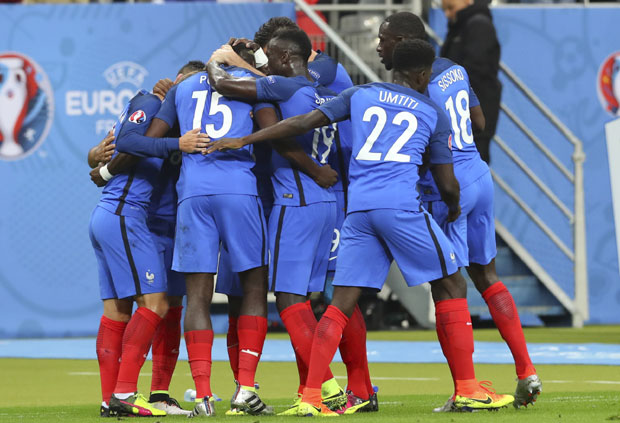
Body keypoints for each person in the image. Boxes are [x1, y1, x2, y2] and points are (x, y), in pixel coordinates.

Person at [206, 39, 515, 416]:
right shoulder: (432, 112)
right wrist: (452, 207)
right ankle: (467, 389)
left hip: (359, 210)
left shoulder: (359, 94)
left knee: (339, 304)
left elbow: (302, 123)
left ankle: (311, 397)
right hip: (400, 206)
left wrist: (245, 138)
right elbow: (448, 184)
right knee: (452, 283)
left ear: (393, 68)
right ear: (422, 75)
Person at [376, 11, 541, 410]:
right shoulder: (454, 69)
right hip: (479, 175)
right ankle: (526, 371)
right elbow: (479, 122)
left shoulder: (412, 89)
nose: (379, 46)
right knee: (487, 275)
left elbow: (421, 151)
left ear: (403, 42)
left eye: (384, 39)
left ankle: (465, 389)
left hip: (447, 186)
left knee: (447, 286)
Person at [207, 28, 349, 414]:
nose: (266, 64)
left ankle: (326, 388)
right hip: (327, 203)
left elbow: (225, 85)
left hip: (295, 200)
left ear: (286, 58)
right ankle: (311, 390)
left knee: (286, 299)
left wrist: (217, 61)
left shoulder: (284, 87)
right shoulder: (324, 93)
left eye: (271, 56)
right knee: (304, 300)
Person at [87, 70, 208, 418]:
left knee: (120, 311)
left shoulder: (187, 117)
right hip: (129, 216)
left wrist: (99, 163)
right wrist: (98, 160)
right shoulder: (151, 103)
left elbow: (119, 146)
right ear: (178, 80)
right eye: (187, 83)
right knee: (155, 304)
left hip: (124, 216)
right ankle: (124, 392)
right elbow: (126, 143)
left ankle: (115, 398)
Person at [440, 0, 501, 163]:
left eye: (450, 8)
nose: (447, 14)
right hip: (461, 112)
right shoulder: (459, 27)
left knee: (473, 164)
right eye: (444, 9)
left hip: (473, 112)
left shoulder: (478, 25)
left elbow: (476, 70)